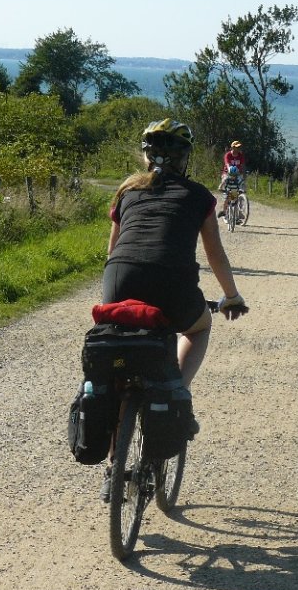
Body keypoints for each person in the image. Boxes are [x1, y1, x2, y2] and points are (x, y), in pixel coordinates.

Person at [100, 118, 246, 498]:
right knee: (198, 328)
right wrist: (231, 296)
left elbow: (113, 250)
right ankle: (175, 391)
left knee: (118, 366)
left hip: (119, 280)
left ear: (146, 156)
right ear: (185, 158)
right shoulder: (198, 196)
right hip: (173, 286)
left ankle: (115, 468)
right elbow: (215, 253)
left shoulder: (126, 191)